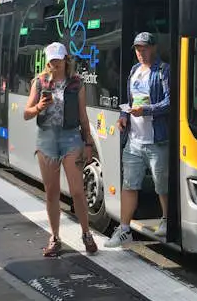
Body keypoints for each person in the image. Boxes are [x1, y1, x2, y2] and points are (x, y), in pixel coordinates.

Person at [24, 42, 98, 257]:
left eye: (58, 61)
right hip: (46, 138)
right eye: (51, 61)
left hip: (71, 137)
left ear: (66, 60)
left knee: (77, 190)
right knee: (52, 192)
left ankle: (86, 233)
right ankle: (55, 238)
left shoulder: (76, 84)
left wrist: (88, 143)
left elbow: (83, 116)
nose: (54, 65)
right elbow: (27, 113)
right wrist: (39, 107)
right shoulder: (39, 83)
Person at [106, 32, 170, 248]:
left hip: (156, 139)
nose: (140, 53)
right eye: (137, 49)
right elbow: (128, 100)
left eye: (144, 49)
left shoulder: (163, 70)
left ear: (153, 48)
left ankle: (166, 220)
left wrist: (146, 110)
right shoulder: (134, 71)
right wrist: (124, 116)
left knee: (161, 183)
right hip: (133, 139)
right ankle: (124, 229)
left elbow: (171, 102)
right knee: (129, 184)